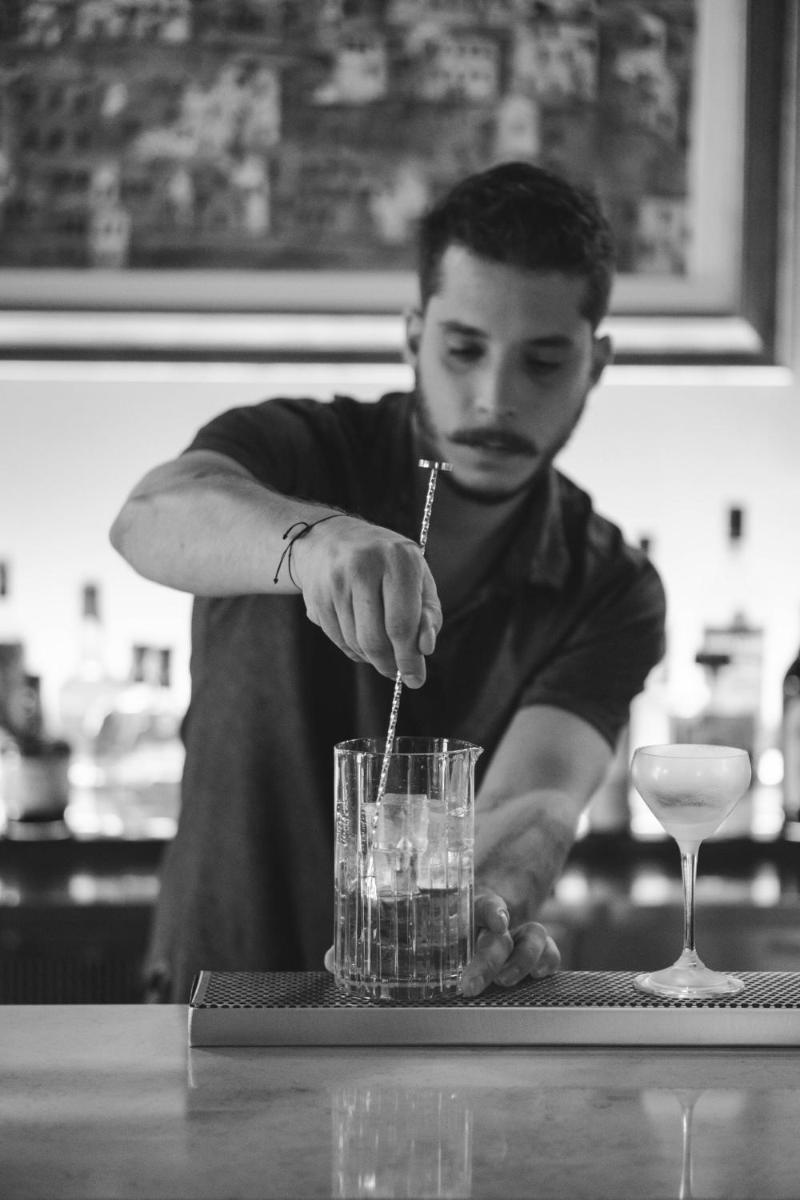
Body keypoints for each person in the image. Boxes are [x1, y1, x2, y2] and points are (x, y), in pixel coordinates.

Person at [110, 161, 666, 1003]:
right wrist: (311, 543)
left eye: (545, 361)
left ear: (597, 363)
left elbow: (538, 794)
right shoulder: (294, 453)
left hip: (435, 1019)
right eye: (464, 350)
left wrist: (486, 905)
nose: (495, 398)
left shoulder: (612, 587)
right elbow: (146, 517)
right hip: (217, 1000)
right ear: (412, 336)